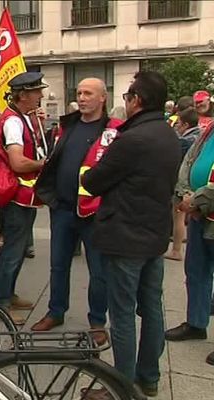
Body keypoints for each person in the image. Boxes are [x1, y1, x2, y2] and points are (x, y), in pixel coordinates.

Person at [81, 71, 181, 398]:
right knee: (152, 307)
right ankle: (148, 377)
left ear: (137, 100)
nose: (125, 102)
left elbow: (93, 181)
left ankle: (121, 386)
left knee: (122, 314)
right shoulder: (166, 133)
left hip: (126, 236)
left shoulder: (132, 139)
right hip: (153, 234)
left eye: (126, 96)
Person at [33, 78, 123, 344]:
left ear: (102, 98)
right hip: (62, 209)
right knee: (58, 266)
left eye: (88, 93)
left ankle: (97, 320)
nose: (82, 98)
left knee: (99, 271)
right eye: (79, 93)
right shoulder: (66, 126)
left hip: (95, 212)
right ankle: (55, 311)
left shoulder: (114, 130)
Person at [0, 72, 48, 325]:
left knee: (19, 249)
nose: (41, 96)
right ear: (23, 95)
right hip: (17, 198)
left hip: (25, 197)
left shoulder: (23, 118)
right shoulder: (13, 122)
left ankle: (8, 293)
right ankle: (0, 302)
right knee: (13, 250)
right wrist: (44, 164)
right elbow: (18, 162)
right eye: (36, 92)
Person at [164, 112, 214, 354]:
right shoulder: (208, 129)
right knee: (196, 270)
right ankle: (196, 322)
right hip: (198, 214)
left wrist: (197, 201)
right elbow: (189, 161)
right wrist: (183, 192)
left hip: (205, 208)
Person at [165, 108, 201, 261]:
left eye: (178, 123)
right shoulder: (201, 136)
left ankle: (176, 250)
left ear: (185, 124)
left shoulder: (185, 140)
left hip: (182, 183)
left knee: (178, 216)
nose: (177, 126)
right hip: (195, 184)